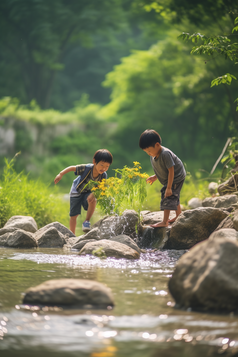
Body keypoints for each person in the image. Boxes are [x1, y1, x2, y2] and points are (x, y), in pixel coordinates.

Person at [54, 149, 113, 234]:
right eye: (102, 165)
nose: (104, 168)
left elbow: (101, 187)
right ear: (94, 162)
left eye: (107, 166)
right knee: (74, 215)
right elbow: (72, 168)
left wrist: (94, 194)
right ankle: (72, 234)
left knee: (93, 200)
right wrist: (60, 174)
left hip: (88, 192)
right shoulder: (86, 168)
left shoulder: (103, 175)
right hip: (76, 191)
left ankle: (86, 221)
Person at [139, 129, 186, 227]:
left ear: (157, 145)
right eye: (146, 152)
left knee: (168, 196)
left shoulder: (165, 154)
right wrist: (155, 176)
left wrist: (168, 188)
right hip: (170, 177)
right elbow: (162, 168)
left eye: (149, 151)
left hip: (176, 177)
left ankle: (165, 222)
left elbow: (171, 171)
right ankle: (178, 215)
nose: (149, 153)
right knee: (174, 195)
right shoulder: (154, 154)